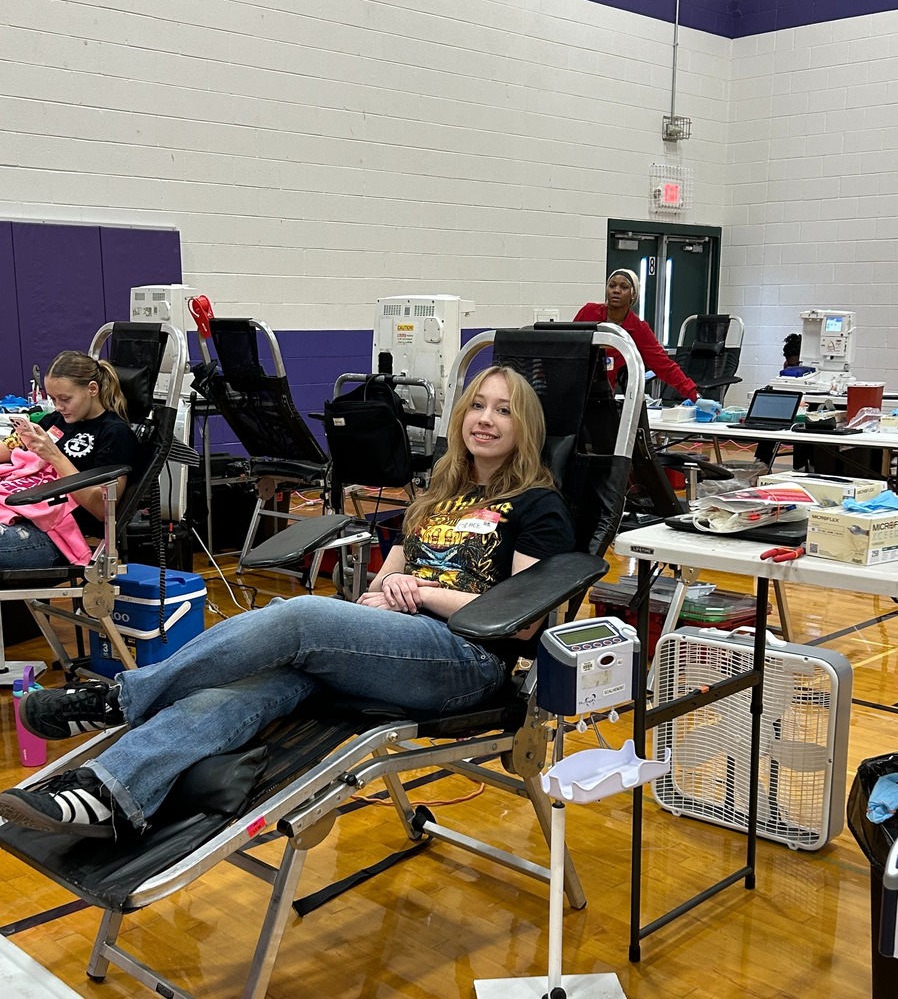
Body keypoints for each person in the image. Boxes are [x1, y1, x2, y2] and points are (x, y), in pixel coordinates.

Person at [0, 366, 575, 839]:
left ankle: (120, 698)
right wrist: (382, 597)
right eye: (478, 405)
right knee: (242, 690)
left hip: (465, 660)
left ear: (525, 427)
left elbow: (520, 622)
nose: (486, 419)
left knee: (298, 616)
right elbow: (382, 584)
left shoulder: (538, 506)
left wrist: (419, 592)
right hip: (389, 645)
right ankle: (109, 792)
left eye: (504, 410)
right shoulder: (436, 496)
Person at [0, 351, 140, 569]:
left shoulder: (114, 434)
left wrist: (55, 456)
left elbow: (101, 509)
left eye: (65, 399)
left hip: (60, 533)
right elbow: (10, 447)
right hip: (21, 513)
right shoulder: (54, 421)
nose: (58, 406)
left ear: (92, 389)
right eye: (53, 399)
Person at [574, 268, 699, 402]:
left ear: (633, 294)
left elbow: (664, 365)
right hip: (573, 385)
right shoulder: (588, 312)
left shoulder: (638, 328)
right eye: (612, 286)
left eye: (624, 287)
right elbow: (567, 344)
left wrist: (694, 396)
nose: (616, 290)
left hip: (601, 396)